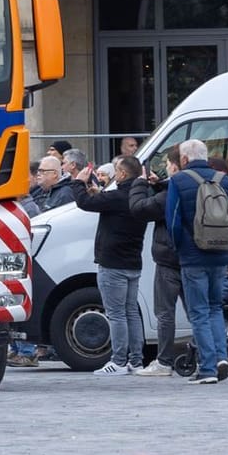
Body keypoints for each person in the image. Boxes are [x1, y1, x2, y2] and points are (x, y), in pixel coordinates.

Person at [163, 138, 228, 383]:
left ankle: (207, 368)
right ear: (206, 157)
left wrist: (180, 247)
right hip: (220, 255)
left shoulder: (178, 180)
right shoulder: (223, 180)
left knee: (198, 312)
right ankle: (221, 357)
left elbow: (173, 221)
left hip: (192, 255)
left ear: (184, 159)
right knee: (215, 308)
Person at [76, 155, 148, 374]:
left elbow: (84, 203)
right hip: (133, 261)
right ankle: (136, 361)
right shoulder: (140, 196)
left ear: (123, 174)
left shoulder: (117, 197)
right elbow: (104, 201)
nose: (115, 174)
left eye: (117, 170)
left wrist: (78, 182)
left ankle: (118, 361)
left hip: (112, 262)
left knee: (115, 313)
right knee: (131, 312)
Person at [130, 146, 187, 376]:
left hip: (168, 258)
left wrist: (140, 184)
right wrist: (159, 184)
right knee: (199, 311)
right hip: (193, 258)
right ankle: (210, 357)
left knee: (165, 312)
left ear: (175, 165)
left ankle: (164, 361)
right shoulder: (198, 184)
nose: (165, 168)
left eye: (167, 164)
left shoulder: (171, 192)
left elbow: (140, 209)